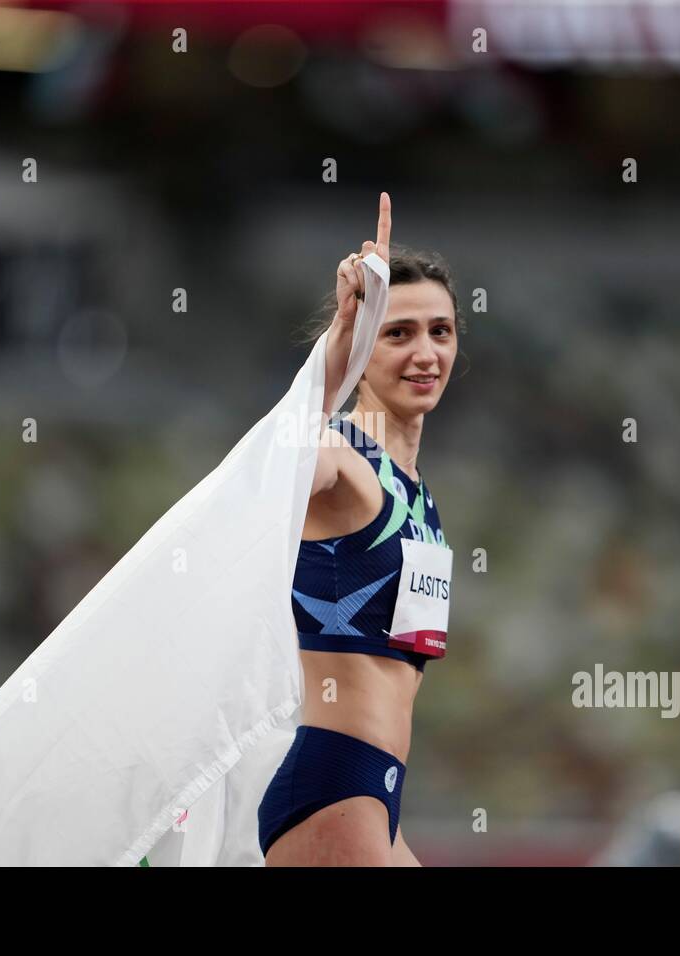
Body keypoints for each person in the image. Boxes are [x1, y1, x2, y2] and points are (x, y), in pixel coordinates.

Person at [258, 192, 464, 866]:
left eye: (441, 330)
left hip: (376, 788)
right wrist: (340, 339)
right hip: (328, 778)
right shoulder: (340, 460)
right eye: (397, 332)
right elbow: (277, 455)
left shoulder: (419, 499)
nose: (425, 352)